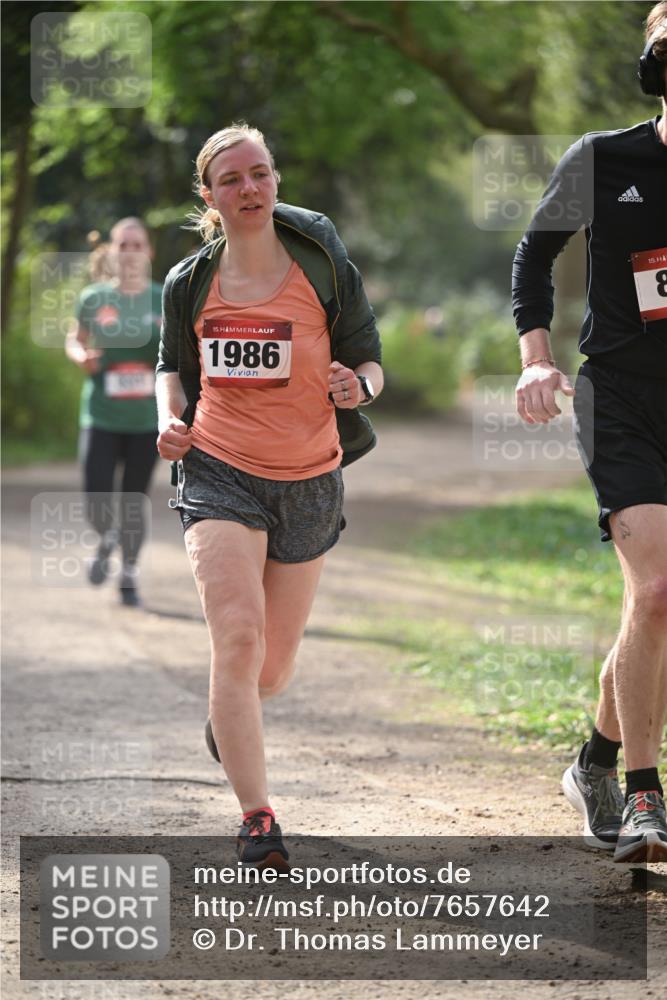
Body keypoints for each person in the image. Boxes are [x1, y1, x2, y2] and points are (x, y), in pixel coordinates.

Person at [156, 124, 383, 868]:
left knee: (271, 670)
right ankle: (257, 818)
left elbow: (369, 361)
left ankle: (232, 713)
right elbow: (172, 368)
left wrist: (359, 385)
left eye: (259, 174)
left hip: (310, 475)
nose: (248, 189)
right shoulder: (189, 282)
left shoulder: (319, 259)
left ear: (275, 181)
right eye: (231, 180)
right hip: (219, 468)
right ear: (209, 197)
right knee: (238, 637)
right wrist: (169, 417)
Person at [512, 3, 667, 863]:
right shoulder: (605, 158)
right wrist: (537, 358)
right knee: (655, 594)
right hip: (620, 398)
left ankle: (596, 761)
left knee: (650, 607)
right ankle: (645, 801)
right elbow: (533, 254)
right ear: (656, 65)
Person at [65, 218, 162, 607]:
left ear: (149, 253)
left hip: (146, 420)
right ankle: (106, 538)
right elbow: (76, 337)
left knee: (134, 501)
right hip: (101, 415)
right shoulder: (93, 297)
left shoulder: (164, 297)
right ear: (112, 251)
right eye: (124, 246)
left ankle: (129, 576)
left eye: (138, 246)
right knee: (96, 496)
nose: (131, 253)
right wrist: (80, 357)